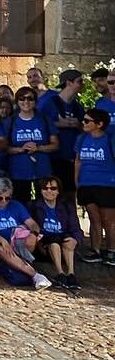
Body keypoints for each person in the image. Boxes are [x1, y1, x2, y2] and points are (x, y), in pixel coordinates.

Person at [0, 178, 52, 290]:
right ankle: (35, 275)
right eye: (0, 198)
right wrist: (2, 241)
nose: (4, 201)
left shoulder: (16, 205)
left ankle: (20, 266)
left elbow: (32, 223)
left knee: (29, 241)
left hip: (16, 243)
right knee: (1, 250)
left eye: (7, 198)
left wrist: (34, 234)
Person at [75, 108, 115, 265]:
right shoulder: (82, 138)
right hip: (86, 183)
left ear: (99, 124)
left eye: (87, 121)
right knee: (94, 218)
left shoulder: (109, 139)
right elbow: (78, 160)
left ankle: (112, 251)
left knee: (109, 220)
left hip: (107, 184)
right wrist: (77, 181)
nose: (83, 123)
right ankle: (95, 250)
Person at [5, 86, 57, 205]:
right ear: (17, 101)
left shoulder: (44, 119)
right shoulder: (11, 121)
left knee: (45, 204)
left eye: (30, 98)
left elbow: (55, 144)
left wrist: (38, 148)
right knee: (21, 204)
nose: (26, 102)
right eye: (22, 99)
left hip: (42, 169)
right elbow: (4, 148)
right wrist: (20, 149)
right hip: (19, 170)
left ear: (35, 101)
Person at [28, 176, 81, 289]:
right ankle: (60, 274)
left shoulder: (67, 207)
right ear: (40, 190)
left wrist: (76, 239)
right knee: (54, 245)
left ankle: (71, 274)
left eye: (53, 188)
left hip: (63, 239)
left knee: (68, 243)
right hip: (44, 242)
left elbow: (75, 228)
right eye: (45, 188)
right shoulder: (34, 206)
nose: (49, 191)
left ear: (58, 191)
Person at [39, 69, 85, 198]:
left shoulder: (77, 106)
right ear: (69, 83)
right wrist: (60, 124)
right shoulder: (49, 103)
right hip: (56, 157)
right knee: (56, 195)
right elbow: (41, 125)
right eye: (79, 81)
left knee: (71, 195)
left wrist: (77, 125)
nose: (83, 84)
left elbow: (85, 128)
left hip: (73, 156)